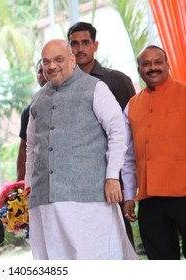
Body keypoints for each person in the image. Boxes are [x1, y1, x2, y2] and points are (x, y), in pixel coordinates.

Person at [25, 39, 136, 260]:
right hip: (45, 198)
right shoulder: (38, 99)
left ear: (72, 59)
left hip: (88, 197)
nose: (52, 66)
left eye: (58, 59)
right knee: (52, 258)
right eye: (46, 62)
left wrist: (113, 176)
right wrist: (29, 183)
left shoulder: (95, 88)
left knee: (93, 257)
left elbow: (118, 131)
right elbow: (31, 144)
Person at [67, 21, 136, 248]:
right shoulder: (62, 86)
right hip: (77, 178)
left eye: (85, 42)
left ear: (95, 45)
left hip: (112, 173)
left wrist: (124, 180)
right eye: (74, 44)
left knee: (118, 236)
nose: (80, 49)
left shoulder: (116, 80)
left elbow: (128, 131)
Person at [122, 45, 186, 260]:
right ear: (139, 69)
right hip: (150, 199)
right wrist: (129, 196)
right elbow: (128, 156)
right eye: (146, 64)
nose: (153, 68)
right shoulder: (132, 105)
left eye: (158, 62)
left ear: (167, 65)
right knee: (160, 261)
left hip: (184, 193)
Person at [17, 60, 47, 181]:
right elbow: (24, 148)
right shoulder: (29, 111)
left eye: (46, 69)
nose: (44, 74)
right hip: (39, 179)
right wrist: (20, 183)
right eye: (40, 71)